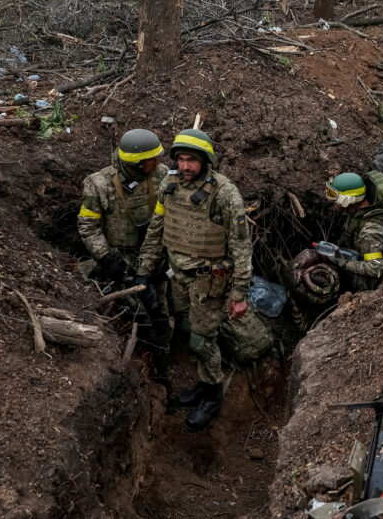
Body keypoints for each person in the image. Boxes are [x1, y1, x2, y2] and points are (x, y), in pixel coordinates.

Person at [135, 128, 255, 430]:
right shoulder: (169, 184)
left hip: (208, 282)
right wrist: (144, 269)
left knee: (202, 342)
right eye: (181, 160)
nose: (185, 166)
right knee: (189, 331)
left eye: (192, 160)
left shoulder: (224, 193)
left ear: (205, 161)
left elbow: (241, 246)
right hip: (177, 277)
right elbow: (157, 228)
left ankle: (213, 395)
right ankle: (203, 385)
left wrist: (239, 294)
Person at [77, 129, 171, 349]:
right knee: (138, 312)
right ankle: (142, 349)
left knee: (160, 308)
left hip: (156, 255)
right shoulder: (99, 183)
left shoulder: (163, 175)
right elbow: (88, 226)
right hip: (122, 259)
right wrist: (106, 259)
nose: (157, 162)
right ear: (136, 163)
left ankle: (164, 347)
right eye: (151, 159)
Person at [323, 170, 383, 290]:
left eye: (337, 200)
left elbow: (375, 268)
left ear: (348, 200)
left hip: (378, 281)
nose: (336, 205)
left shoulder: (369, 231)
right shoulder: (365, 207)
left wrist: (342, 263)